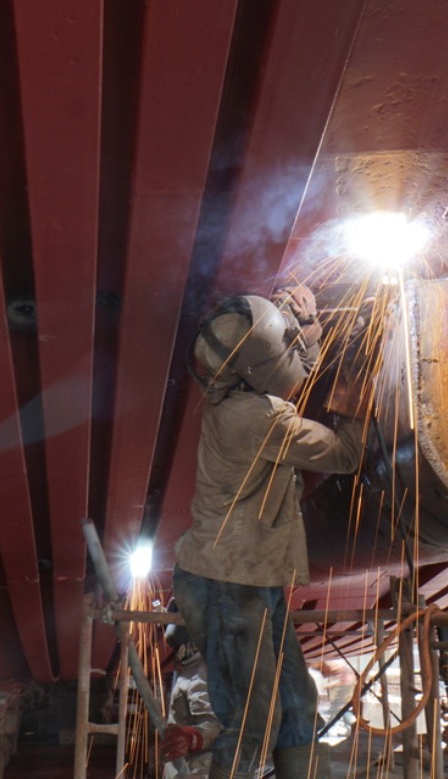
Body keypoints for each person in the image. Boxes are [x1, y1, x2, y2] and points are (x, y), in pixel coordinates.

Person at [172, 287, 366, 779]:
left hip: (247, 580)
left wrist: (307, 334)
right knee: (252, 722)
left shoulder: (229, 393)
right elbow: (346, 454)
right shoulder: (259, 419)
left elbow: (279, 379)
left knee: (298, 703)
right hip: (226, 585)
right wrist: (356, 368)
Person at [161, 616, 222, 779]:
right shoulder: (192, 667)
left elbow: (213, 724)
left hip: (199, 771)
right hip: (186, 769)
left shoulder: (202, 669)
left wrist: (191, 738)